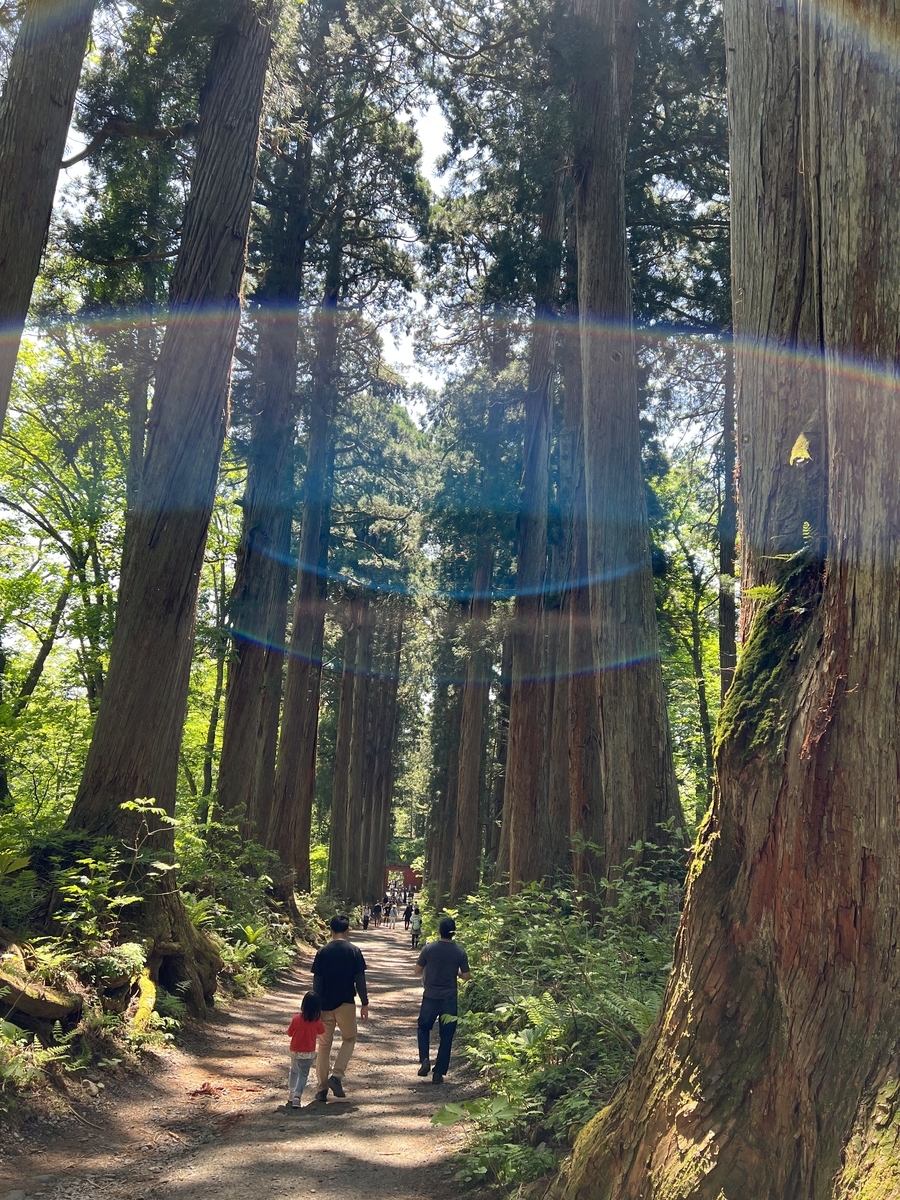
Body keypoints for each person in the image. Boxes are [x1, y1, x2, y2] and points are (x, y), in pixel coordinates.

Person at [311, 914, 370, 1101]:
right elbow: (360, 979)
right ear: (347, 931)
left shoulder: (322, 952)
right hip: (346, 1002)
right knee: (350, 1038)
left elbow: (317, 982)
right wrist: (365, 1002)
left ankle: (321, 1089)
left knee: (324, 1045)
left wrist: (316, 1007)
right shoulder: (354, 951)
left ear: (330, 930)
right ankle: (336, 1076)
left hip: (325, 1005)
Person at [415, 916, 470, 1084]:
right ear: (454, 933)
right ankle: (438, 1073)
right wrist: (457, 973)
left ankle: (425, 1059)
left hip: (430, 996)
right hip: (449, 998)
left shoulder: (429, 949)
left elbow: (417, 970)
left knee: (423, 1028)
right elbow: (467, 976)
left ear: (439, 931)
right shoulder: (459, 952)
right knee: (447, 1036)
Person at [286, 991, 325, 1108]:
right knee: (303, 1075)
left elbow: (289, 1033)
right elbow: (322, 1031)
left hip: (295, 1051)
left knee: (293, 1071)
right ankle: (298, 1096)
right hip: (308, 1053)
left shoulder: (296, 1018)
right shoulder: (317, 1021)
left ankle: (291, 1093)